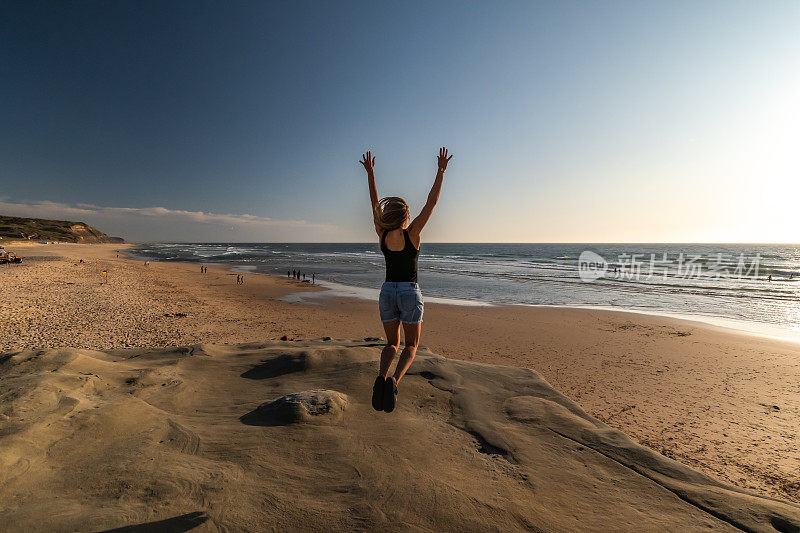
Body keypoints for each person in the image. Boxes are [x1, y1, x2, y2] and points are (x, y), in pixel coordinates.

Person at [360, 147, 452, 413]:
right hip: (410, 293)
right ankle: (394, 382)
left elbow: (374, 206)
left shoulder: (382, 233)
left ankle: (380, 376)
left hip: (387, 291)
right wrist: (441, 170)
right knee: (411, 345)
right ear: (406, 217)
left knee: (391, 343)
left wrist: (370, 174)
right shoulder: (413, 233)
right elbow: (431, 202)